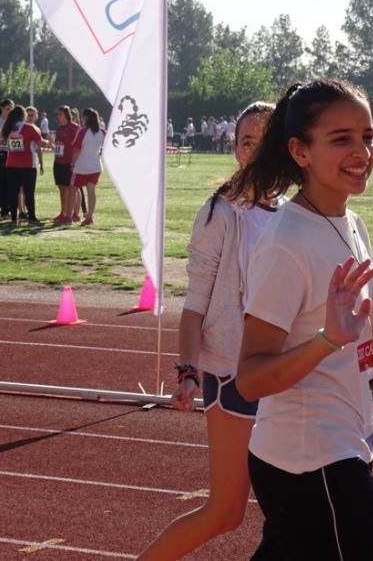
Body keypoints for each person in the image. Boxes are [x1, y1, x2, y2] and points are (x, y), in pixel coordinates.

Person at [233, 79, 373, 560]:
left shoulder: (350, 223)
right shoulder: (287, 242)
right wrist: (328, 340)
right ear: (299, 151)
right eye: (341, 138)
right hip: (312, 463)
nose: (363, 151)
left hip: (340, 452)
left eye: (368, 135)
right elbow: (249, 379)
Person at [139, 102, 276, 560]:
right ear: (235, 149)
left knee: (292, 507)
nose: (254, 150)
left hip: (284, 375)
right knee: (225, 512)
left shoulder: (294, 213)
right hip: (232, 373)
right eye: (246, 141)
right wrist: (187, 371)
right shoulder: (221, 211)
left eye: (265, 140)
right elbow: (195, 302)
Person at [3, 105, 44, 227]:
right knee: (29, 192)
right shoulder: (30, 127)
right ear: (23, 115)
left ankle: (14, 220)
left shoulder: (8, 127)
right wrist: (50, 143)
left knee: (13, 192)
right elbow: (40, 142)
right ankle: (32, 218)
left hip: (11, 164)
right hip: (27, 164)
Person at [72, 108, 106, 226]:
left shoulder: (82, 131)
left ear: (85, 118)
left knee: (73, 189)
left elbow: (76, 149)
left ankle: (71, 214)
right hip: (96, 164)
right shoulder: (102, 132)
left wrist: (72, 164)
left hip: (82, 165)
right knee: (91, 191)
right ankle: (90, 216)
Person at [52, 105, 79, 224]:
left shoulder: (74, 128)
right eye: (57, 115)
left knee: (71, 188)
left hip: (69, 162)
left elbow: (78, 145)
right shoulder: (58, 129)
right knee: (62, 188)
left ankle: (72, 213)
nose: (58, 117)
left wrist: (75, 161)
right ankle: (63, 212)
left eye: (60, 114)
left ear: (67, 115)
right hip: (58, 162)